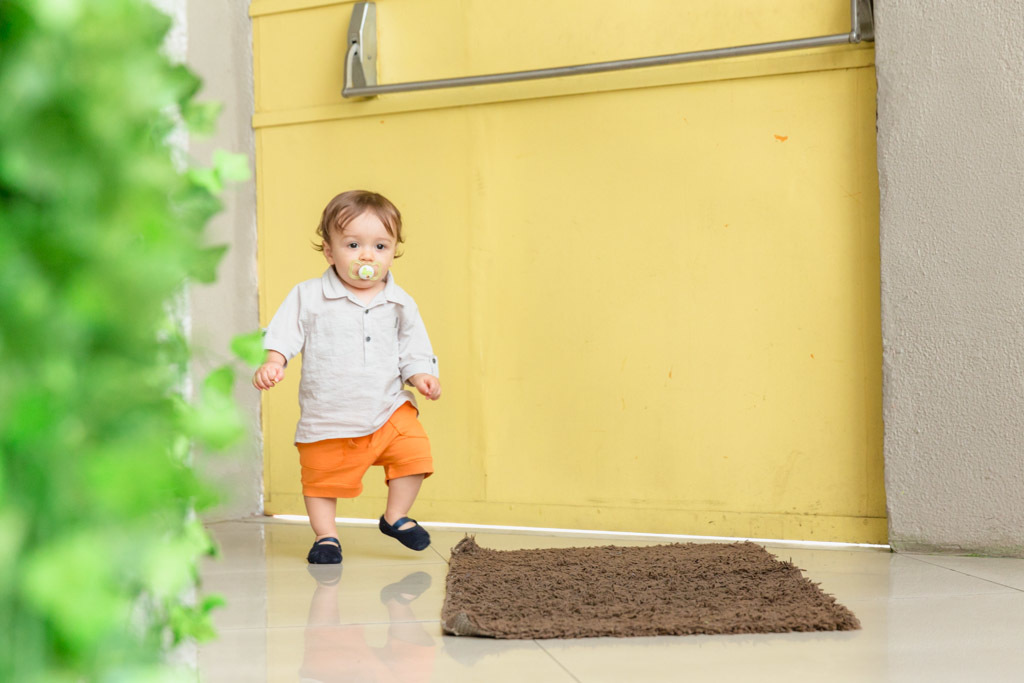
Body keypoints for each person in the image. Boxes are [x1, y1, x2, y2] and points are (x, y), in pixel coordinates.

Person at [253, 190, 441, 564]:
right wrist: (275, 361)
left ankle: (395, 516)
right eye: (353, 244)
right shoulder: (308, 296)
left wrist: (421, 375)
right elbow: (283, 333)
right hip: (330, 414)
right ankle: (327, 537)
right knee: (321, 479)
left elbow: (413, 345)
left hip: (388, 406)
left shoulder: (400, 302)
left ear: (393, 252)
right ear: (329, 251)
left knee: (414, 453)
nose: (367, 256)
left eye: (381, 246)